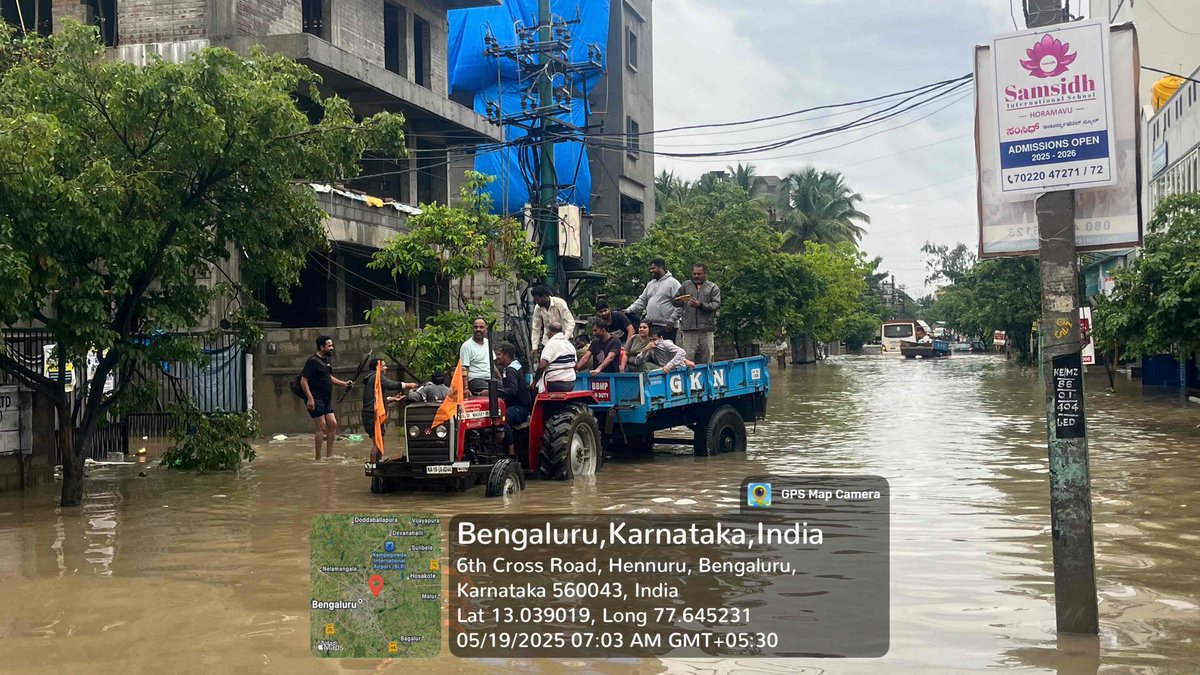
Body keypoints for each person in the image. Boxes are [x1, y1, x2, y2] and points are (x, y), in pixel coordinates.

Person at [300, 335, 353, 461]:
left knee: (333, 424)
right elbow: (303, 380)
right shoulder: (312, 361)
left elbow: (328, 377)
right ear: (322, 347)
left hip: (326, 399)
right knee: (322, 426)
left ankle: (329, 455)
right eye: (329, 346)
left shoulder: (326, 361)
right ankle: (318, 458)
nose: (332, 348)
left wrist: (344, 383)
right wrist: (310, 398)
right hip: (316, 399)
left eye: (332, 345)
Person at [624, 258, 682, 342]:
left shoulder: (673, 283)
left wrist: (672, 320)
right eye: (650, 269)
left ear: (661, 267)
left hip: (667, 326)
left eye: (653, 268)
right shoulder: (650, 284)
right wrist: (628, 310)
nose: (651, 271)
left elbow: (680, 304)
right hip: (651, 325)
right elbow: (642, 300)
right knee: (652, 351)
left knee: (664, 351)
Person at [674, 263, 721, 364]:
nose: (696, 276)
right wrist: (679, 301)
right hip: (689, 328)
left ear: (705, 274)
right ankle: (687, 378)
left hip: (706, 328)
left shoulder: (713, 287)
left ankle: (709, 378)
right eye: (694, 274)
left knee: (708, 357)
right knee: (687, 358)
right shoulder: (686, 285)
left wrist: (700, 305)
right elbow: (675, 300)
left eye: (699, 274)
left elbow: (715, 305)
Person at [360, 359, 417, 443]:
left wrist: (392, 398)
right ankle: (375, 457)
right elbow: (392, 384)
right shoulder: (376, 377)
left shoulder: (372, 378)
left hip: (372, 414)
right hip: (372, 415)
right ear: (377, 367)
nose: (386, 368)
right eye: (384, 366)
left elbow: (375, 398)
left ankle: (378, 457)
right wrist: (409, 385)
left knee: (380, 442)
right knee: (378, 444)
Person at [495, 344, 533, 455]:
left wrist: (494, 392)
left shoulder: (511, 370)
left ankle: (511, 452)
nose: (497, 357)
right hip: (515, 405)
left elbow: (512, 389)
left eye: (499, 354)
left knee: (502, 417)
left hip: (521, 408)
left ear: (506, 355)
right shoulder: (513, 367)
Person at [530, 285, 576, 360]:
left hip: (564, 338)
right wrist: (534, 347)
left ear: (544, 296)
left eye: (537, 300)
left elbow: (571, 322)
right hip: (548, 341)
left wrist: (564, 339)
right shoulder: (538, 308)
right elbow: (536, 328)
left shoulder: (559, 303)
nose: (536, 302)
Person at [529, 321, 577, 393]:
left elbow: (541, 366)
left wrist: (534, 382)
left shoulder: (551, 344)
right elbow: (576, 366)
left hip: (555, 383)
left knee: (532, 391)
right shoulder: (569, 345)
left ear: (550, 332)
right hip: (571, 383)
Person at [459, 317, 495, 394]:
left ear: (486, 329)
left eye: (481, 327)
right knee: (491, 390)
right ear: (472, 329)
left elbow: (493, 365)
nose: (478, 329)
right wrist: (465, 388)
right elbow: (464, 369)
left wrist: (500, 379)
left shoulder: (488, 343)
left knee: (505, 388)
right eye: (476, 327)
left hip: (489, 379)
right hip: (475, 380)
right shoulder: (466, 346)